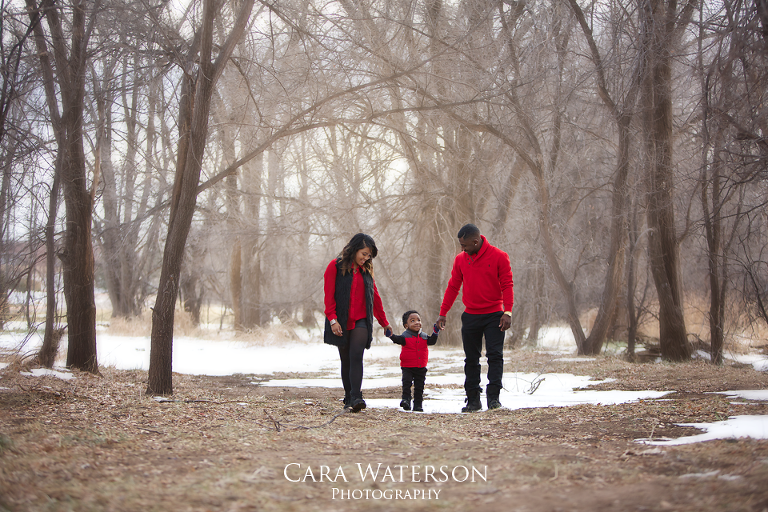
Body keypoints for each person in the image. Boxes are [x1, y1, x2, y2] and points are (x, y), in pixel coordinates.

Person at [436, 224, 513, 412]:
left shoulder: (499, 256)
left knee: (495, 357)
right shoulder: (461, 260)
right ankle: (473, 400)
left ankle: (493, 400)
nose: (462, 249)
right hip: (471, 315)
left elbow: (507, 285)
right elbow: (453, 287)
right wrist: (443, 313)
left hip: (494, 315)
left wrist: (507, 311)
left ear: (476, 241)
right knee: (471, 359)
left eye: (465, 245)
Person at [324, 233, 392, 412]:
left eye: (369, 255)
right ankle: (348, 396)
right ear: (354, 249)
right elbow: (329, 296)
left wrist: (384, 322)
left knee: (356, 355)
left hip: (361, 321)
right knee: (345, 359)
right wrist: (333, 320)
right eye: (364, 253)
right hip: (341, 321)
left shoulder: (366, 271)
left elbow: (374, 297)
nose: (366, 258)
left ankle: (356, 396)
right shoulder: (335, 266)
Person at [388, 310, 439, 412]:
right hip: (407, 366)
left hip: (421, 367)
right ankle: (406, 400)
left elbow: (432, 341)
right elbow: (396, 339)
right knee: (407, 383)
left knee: (419, 387)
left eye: (418, 320)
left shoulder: (424, 336)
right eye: (413, 320)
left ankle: (418, 405)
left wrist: (436, 331)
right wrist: (390, 335)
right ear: (406, 325)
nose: (417, 322)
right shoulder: (405, 337)